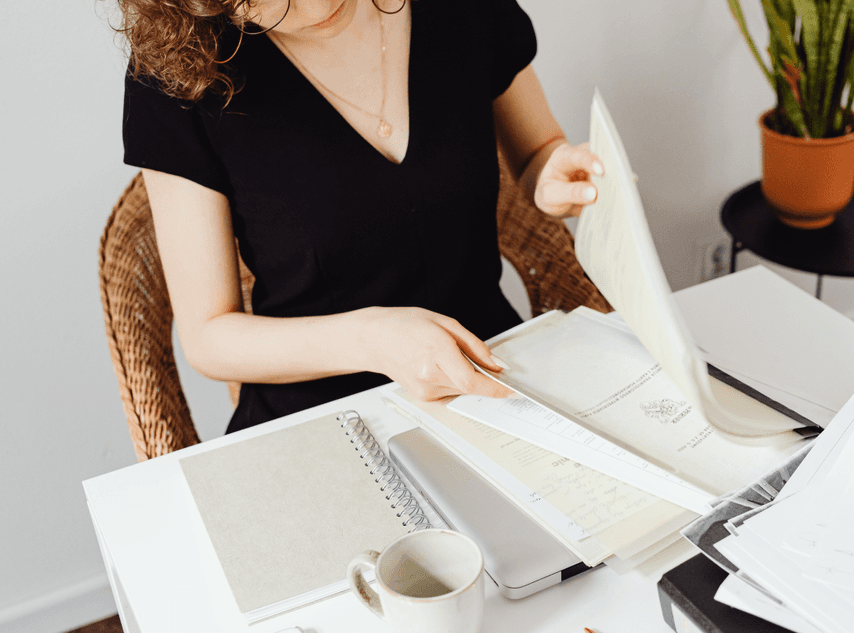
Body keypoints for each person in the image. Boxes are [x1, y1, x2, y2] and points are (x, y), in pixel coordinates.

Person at [116, 0, 603, 433]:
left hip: (492, 373)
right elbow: (208, 335)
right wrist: (372, 339)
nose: (318, 4)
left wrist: (551, 170)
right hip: (322, 420)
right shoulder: (180, 71)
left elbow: (537, 150)